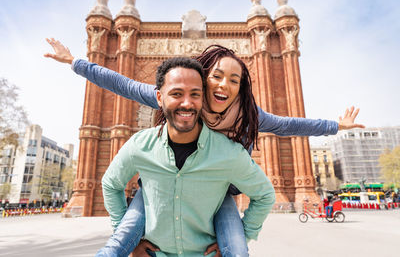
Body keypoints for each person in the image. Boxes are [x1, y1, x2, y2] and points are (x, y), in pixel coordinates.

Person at [44, 38, 364, 257]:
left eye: (234, 80)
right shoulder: (178, 94)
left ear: (241, 87)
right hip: (161, 181)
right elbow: (122, 84)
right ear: (205, 78)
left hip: (219, 189)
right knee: (119, 242)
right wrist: (74, 62)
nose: (224, 84)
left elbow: (288, 125)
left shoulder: (247, 114)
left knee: (236, 249)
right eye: (217, 76)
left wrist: (336, 126)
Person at [101, 56, 275, 256]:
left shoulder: (227, 153)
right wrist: (131, 240)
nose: (186, 103)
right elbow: (110, 184)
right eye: (176, 94)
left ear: (203, 98)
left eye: (195, 94)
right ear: (159, 97)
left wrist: (240, 238)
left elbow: (265, 195)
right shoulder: (140, 145)